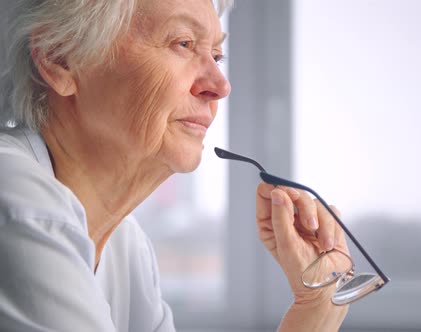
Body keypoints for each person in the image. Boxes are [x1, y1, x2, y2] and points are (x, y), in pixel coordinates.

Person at [0, 0, 350, 331]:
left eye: (216, 55)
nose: (220, 86)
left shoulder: (124, 245)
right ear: (59, 57)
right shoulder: (19, 204)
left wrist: (318, 304)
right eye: (183, 43)